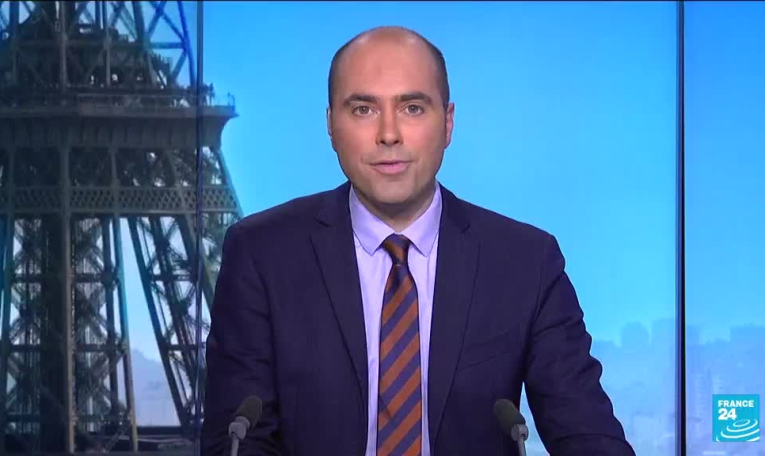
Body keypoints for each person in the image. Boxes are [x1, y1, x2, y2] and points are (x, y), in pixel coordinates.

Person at [202, 25, 635, 456]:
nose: (389, 134)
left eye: (412, 108)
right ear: (330, 124)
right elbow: (237, 438)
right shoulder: (262, 255)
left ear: (447, 123)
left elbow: (588, 435)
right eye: (363, 109)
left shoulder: (525, 262)